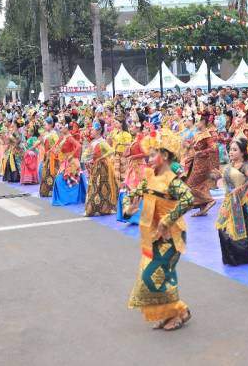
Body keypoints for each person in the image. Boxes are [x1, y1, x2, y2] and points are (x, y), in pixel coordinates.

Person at [124, 128, 194, 331]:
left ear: (164, 156)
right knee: (162, 275)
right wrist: (129, 209)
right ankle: (169, 313)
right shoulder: (150, 178)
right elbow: (133, 194)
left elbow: (188, 198)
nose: (149, 157)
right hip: (154, 236)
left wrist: (168, 219)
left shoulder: (172, 181)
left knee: (154, 275)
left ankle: (180, 311)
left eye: (153, 154)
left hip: (172, 236)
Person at [214, 137, 248, 266]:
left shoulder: (245, 167)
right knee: (223, 228)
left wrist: (241, 188)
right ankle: (230, 257)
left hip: (241, 203)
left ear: (242, 152)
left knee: (240, 230)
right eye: (230, 149)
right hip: (229, 201)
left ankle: (243, 257)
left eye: (235, 150)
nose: (231, 152)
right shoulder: (230, 165)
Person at [184, 115, 218, 217]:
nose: (196, 123)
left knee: (191, 185)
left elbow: (214, 148)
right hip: (197, 163)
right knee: (200, 185)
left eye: (198, 121)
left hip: (202, 164)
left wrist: (201, 152)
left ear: (203, 122)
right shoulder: (199, 134)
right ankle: (203, 208)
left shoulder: (206, 135)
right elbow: (193, 146)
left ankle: (209, 200)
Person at [84, 121, 117, 216]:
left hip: (102, 168)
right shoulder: (94, 142)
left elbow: (112, 151)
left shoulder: (102, 142)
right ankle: (92, 208)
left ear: (98, 131)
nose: (91, 131)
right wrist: (88, 159)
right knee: (94, 187)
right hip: (95, 167)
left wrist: (101, 157)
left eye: (93, 130)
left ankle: (103, 208)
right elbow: (88, 153)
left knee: (102, 188)